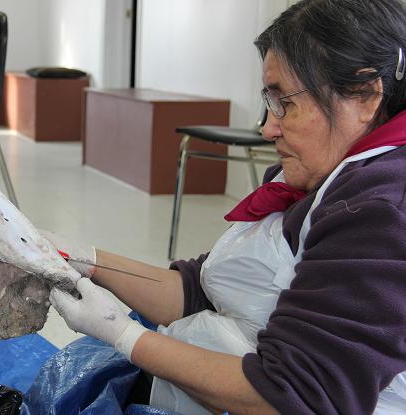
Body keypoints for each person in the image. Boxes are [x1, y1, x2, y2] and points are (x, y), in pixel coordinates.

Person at [47, 0, 406, 414]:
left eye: (285, 103)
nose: (268, 128)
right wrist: (87, 261)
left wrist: (125, 337)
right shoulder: (317, 177)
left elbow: (294, 396)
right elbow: (202, 291)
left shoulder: (380, 213)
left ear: (364, 95)